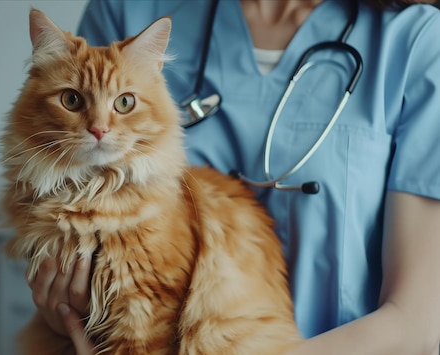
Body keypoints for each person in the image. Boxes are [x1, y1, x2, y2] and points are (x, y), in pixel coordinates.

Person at [28, 0, 440, 353]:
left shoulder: (417, 40)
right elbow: (57, 191)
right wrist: (65, 311)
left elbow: (417, 324)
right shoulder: (130, 10)